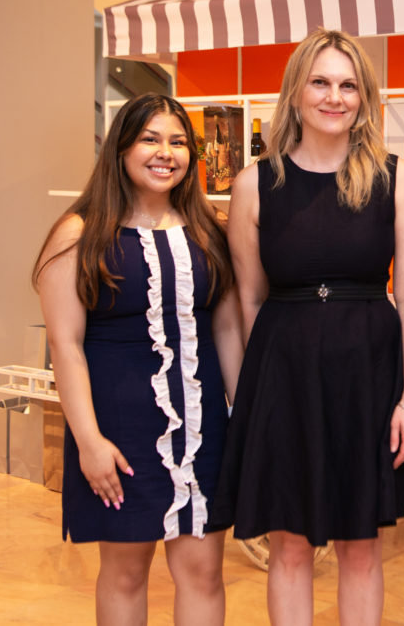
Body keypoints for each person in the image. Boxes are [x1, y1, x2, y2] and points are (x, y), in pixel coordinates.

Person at [210, 28, 404, 625]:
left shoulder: (394, 176)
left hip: (369, 374)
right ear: (296, 92)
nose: (335, 97)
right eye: (321, 82)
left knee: (362, 543)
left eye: (348, 85)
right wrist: (261, 398)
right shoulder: (256, 183)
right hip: (284, 377)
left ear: (364, 97)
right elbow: (249, 299)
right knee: (290, 543)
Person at [33, 92, 242, 625]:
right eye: (150, 138)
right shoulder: (79, 234)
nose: (164, 152)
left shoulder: (209, 230)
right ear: (122, 148)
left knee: (203, 572)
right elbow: (66, 346)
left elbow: (225, 328)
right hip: (118, 432)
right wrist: (88, 441)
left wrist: (243, 418)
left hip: (203, 428)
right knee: (125, 574)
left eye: (177, 142)